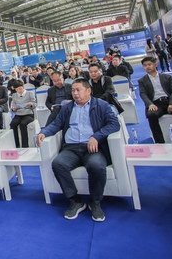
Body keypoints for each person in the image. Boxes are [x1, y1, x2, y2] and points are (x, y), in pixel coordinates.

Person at [36, 78, 120, 222]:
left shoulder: (101, 105)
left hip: (92, 147)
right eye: (73, 90)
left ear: (88, 91)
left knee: (96, 166)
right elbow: (56, 124)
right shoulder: (67, 108)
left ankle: (95, 202)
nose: (75, 93)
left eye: (78, 90)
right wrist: (44, 132)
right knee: (58, 164)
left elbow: (114, 124)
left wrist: (97, 136)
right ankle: (75, 200)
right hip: (71, 147)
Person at [138, 57, 172, 143]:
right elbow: (143, 94)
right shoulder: (142, 80)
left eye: (149, 64)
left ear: (155, 65)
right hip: (155, 103)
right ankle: (160, 142)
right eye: (145, 65)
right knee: (151, 115)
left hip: (169, 100)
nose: (147, 67)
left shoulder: (167, 77)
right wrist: (150, 104)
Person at [9, 79, 36, 148]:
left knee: (23, 124)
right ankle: (16, 144)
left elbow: (35, 104)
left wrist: (31, 104)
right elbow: (13, 106)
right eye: (17, 89)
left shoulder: (29, 93)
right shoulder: (14, 95)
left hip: (28, 114)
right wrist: (13, 108)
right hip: (18, 114)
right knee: (13, 124)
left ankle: (25, 145)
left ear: (23, 87)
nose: (19, 90)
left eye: (20, 88)